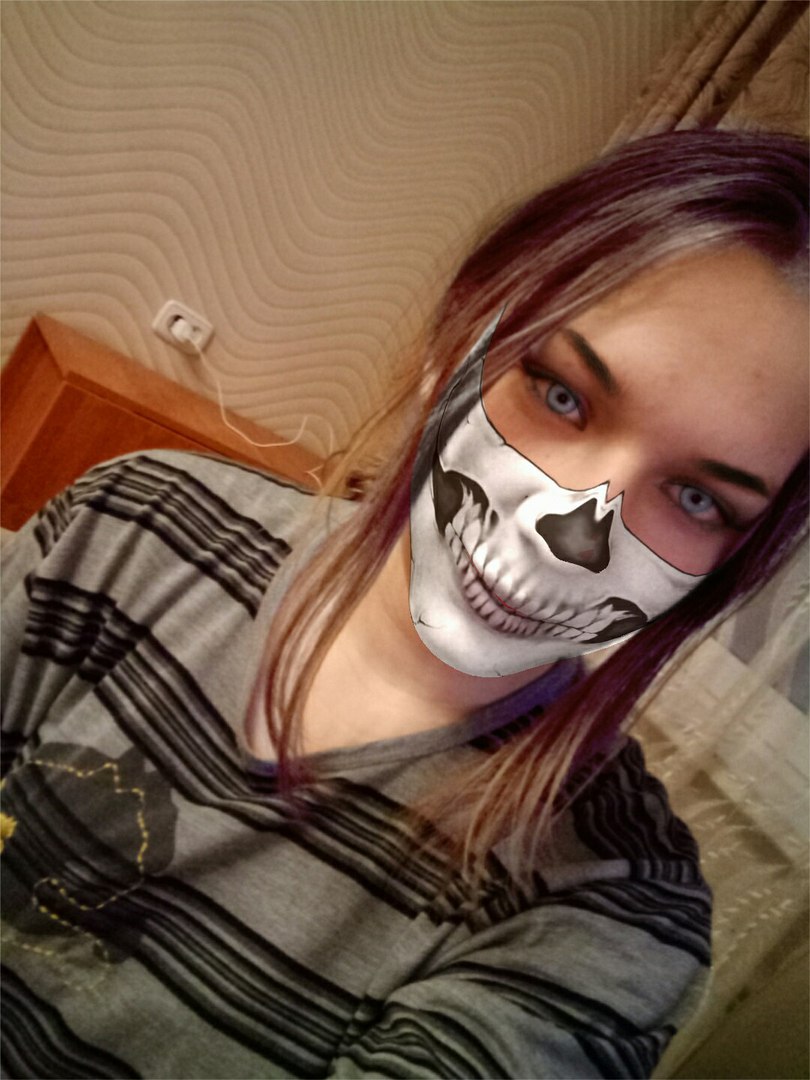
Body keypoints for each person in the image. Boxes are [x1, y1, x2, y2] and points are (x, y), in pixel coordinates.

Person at [1, 129, 807, 1080]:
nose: (571, 534)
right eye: (559, 394)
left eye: (698, 499)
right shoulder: (135, 520)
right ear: (457, 334)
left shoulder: (609, 912)